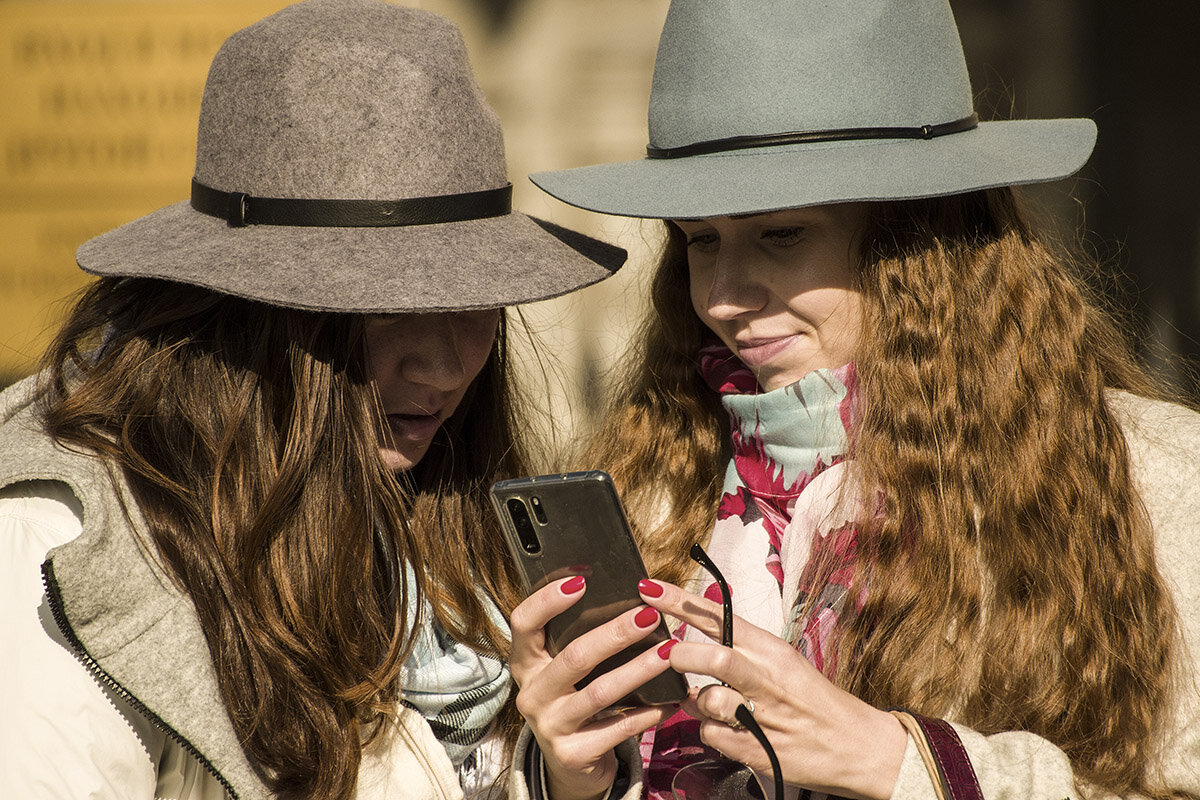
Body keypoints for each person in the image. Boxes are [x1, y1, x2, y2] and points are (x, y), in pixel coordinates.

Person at [506, 1, 1200, 799]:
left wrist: (908, 768)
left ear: (917, 243)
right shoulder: (654, 493)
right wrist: (570, 774)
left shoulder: (1151, 484)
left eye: (781, 234)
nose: (724, 297)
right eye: (701, 240)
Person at [0, 1, 626, 798]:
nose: (440, 369)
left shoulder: (453, 515)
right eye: (388, 308)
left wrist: (569, 777)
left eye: (473, 302)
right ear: (250, 315)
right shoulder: (60, 547)